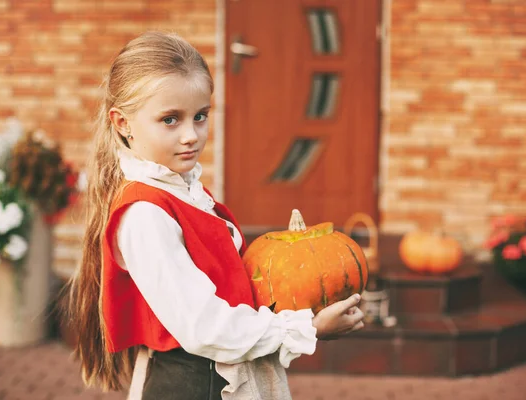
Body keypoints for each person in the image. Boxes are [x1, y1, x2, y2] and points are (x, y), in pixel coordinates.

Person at [66, 31, 365, 400]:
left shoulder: (185, 190)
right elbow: (202, 327)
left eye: (200, 116)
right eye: (170, 120)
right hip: (193, 386)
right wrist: (307, 328)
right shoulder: (145, 214)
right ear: (123, 123)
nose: (191, 135)